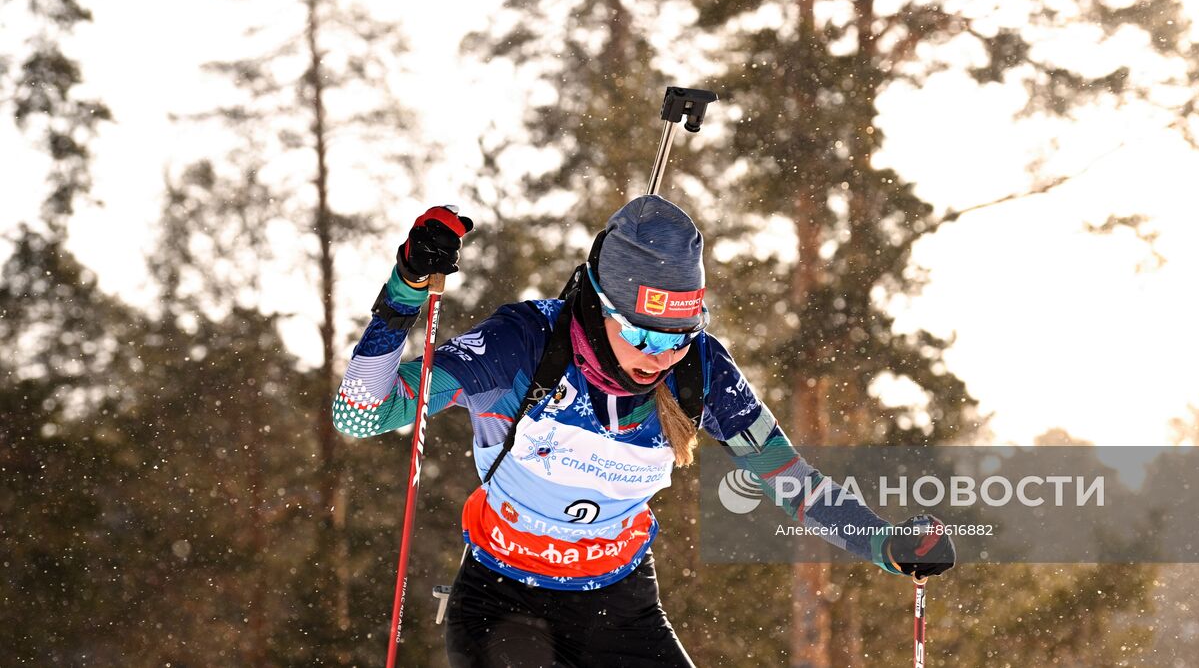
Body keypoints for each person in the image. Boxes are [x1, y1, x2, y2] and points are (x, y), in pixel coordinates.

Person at [334, 196, 954, 667]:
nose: (659, 355)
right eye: (642, 333)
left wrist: (882, 542)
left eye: (676, 337)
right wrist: (406, 289)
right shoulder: (520, 347)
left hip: (618, 605)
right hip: (505, 602)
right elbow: (359, 413)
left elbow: (789, 478)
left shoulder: (702, 371)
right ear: (599, 303)